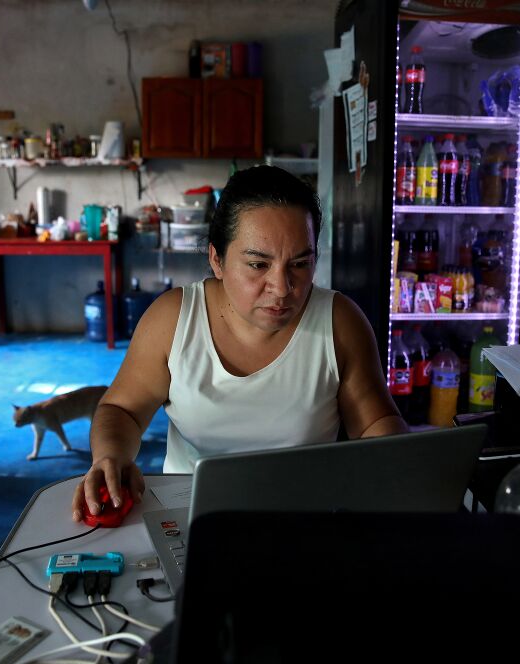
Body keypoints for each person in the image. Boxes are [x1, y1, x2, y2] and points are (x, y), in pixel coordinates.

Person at [72, 166, 408, 522]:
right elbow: (122, 410)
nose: (282, 287)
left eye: (300, 264)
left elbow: (375, 424)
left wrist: (398, 460)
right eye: (258, 264)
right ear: (217, 259)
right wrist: (110, 457)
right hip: (190, 516)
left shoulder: (339, 322)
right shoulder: (173, 320)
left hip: (305, 519)